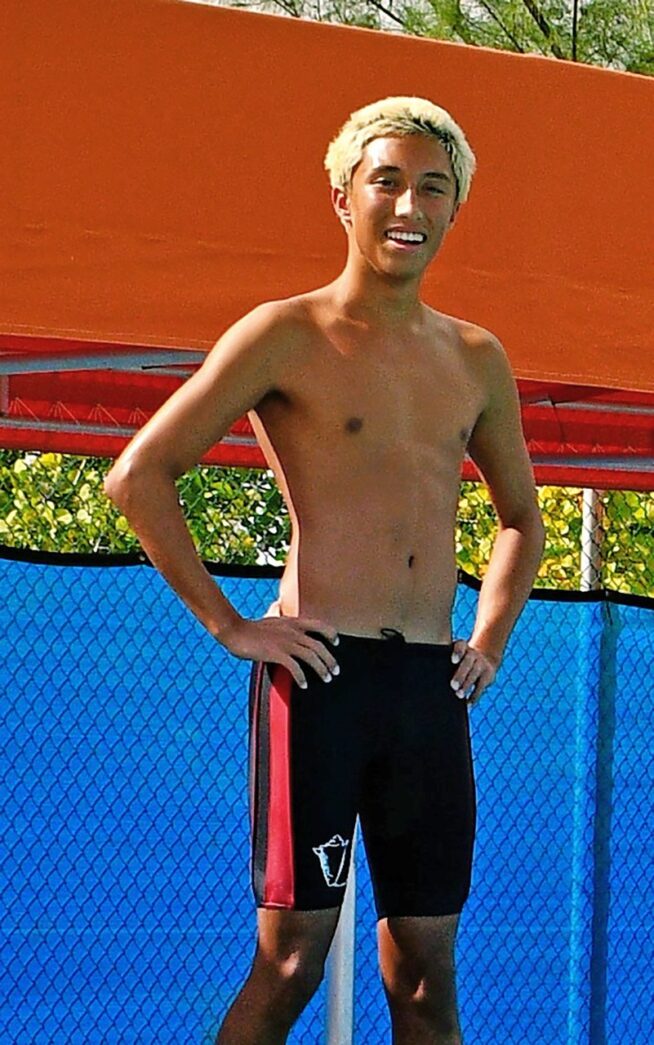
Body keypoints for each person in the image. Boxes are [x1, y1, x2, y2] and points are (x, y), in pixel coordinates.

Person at [104, 96, 545, 1044]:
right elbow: (139, 476)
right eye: (386, 180)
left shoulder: (476, 356)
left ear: (454, 209)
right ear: (343, 195)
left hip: (430, 688)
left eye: (433, 186)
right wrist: (232, 624)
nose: (407, 206)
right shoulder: (284, 332)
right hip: (319, 677)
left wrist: (491, 642)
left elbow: (521, 519)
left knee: (424, 971)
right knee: (294, 958)